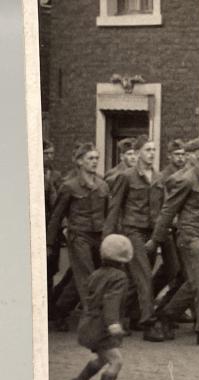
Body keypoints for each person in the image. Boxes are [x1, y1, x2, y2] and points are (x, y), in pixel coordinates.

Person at [147, 136, 199, 346]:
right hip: (191, 237)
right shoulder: (186, 179)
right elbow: (168, 211)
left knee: (195, 284)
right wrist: (155, 240)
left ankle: (165, 315)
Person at [63, 234, 133, 380]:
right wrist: (113, 324)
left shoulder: (96, 274)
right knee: (116, 361)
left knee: (103, 359)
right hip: (102, 327)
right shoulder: (119, 277)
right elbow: (111, 301)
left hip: (88, 324)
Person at [103, 135, 163, 342]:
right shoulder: (126, 176)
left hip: (151, 233)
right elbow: (115, 207)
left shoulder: (158, 177)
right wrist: (107, 237)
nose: (152, 154)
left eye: (154, 150)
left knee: (134, 279)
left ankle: (118, 317)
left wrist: (159, 234)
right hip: (133, 231)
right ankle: (149, 322)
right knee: (144, 275)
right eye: (148, 150)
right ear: (137, 153)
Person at [47, 143, 110, 318]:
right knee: (87, 276)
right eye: (90, 158)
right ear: (80, 161)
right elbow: (56, 216)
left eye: (96, 158)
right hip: (79, 236)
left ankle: (59, 310)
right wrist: (49, 243)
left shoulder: (103, 185)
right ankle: (93, 318)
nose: (94, 162)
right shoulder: (70, 186)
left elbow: (108, 214)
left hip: (99, 237)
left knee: (87, 277)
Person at [152, 138, 187, 301]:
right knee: (174, 268)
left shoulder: (187, 174)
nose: (181, 158)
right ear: (169, 156)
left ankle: (165, 302)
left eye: (183, 154)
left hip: (181, 228)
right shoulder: (164, 177)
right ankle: (159, 302)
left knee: (176, 268)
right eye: (177, 154)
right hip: (168, 228)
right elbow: (162, 205)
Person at [43, 139, 64, 313]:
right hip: (39, 224)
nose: (50, 156)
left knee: (51, 269)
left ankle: (50, 305)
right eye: (46, 153)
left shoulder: (55, 175)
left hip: (53, 227)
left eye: (52, 153)